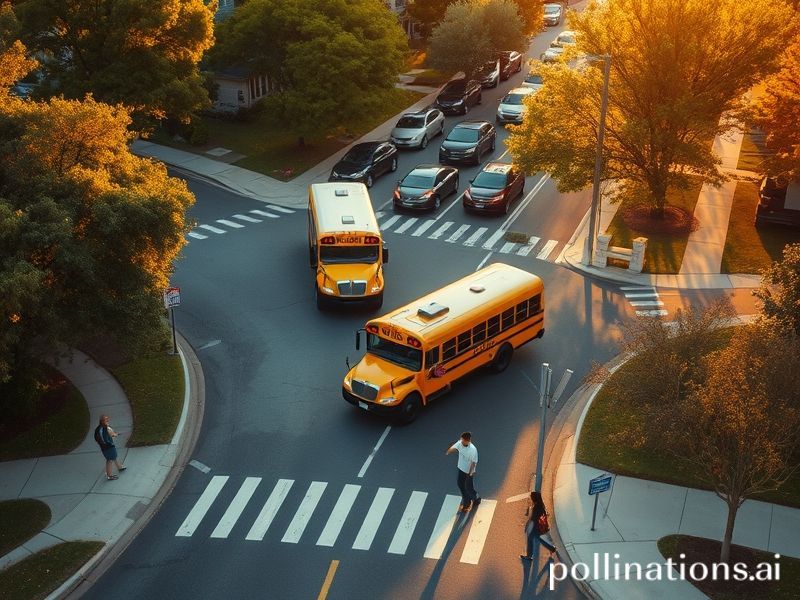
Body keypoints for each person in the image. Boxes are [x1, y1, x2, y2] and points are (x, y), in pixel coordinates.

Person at [445, 431, 481, 512]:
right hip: (461, 469)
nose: (461, 440)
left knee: (469, 487)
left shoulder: (473, 450)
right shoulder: (460, 443)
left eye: (463, 439)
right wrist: (449, 451)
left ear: (467, 440)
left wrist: (471, 473)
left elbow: (473, 463)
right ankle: (468, 501)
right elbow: (453, 448)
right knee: (461, 485)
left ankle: (475, 499)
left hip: (468, 471)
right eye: (461, 439)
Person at [521, 491, 558, 561]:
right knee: (539, 539)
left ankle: (529, 556)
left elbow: (533, 519)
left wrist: (528, 525)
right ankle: (552, 548)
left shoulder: (536, 507)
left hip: (536, 527)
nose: (530, 499)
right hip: (539, 527)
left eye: (531, 498)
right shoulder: (540, 505)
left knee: (530, 540)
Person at [94, 414, 126, 480]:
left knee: (114, 457)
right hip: (108, 446)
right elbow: (111, 435)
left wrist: (114, 434)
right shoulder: (105, 428)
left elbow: (97, 438)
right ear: (102, 421)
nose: (108, 420)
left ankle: (119, 467)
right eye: (106, 420)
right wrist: (115, 435)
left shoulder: (99, 428)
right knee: (110, 460)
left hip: (105, 447)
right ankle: (110, 475)